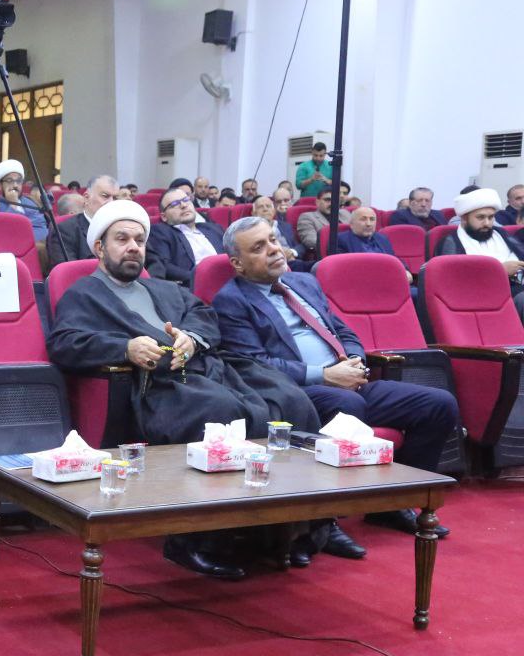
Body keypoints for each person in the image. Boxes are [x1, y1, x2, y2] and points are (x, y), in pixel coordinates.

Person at [47, 200, 323, 579]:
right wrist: (125, 348)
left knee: (291, 400)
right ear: (99, 247)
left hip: (209, 368)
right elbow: (64, 343)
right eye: (122, 239)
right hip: (158, 385)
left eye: (139, 240)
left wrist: (191, 339)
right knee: (221, 414)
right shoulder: (83, 294)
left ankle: (296, 530)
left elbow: (203, 315)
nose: (133, 247)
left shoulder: (163, 287)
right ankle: (199, 540)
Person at [212, 216, 457, 540]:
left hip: (347, 381)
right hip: (297, 394)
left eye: (272, 239)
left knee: (439, 404)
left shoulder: (303, 282)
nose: (273, 249)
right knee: (347, 404)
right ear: (238, 264)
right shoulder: (231, 300)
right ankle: (323, 523)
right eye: (259, 247)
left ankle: (395, 502)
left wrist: (354, 360)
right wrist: (325, 375)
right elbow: (254, 364)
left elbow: (342, 329)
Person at [432, 187, 524, 318]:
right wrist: (499, 271)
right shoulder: (451, 242)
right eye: (480, 217)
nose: (487, 223)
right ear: (464, 218)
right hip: (482, 296)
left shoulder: (501, 234)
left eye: (491, 217)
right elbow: (451, 281)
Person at [146, 185, 224, 285]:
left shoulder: (213, 228)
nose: (183, 205)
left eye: (186, 200)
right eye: (174, 204)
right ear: (164, 217)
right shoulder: (160, 231)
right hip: (194, 286)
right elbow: (164, 265)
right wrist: (202, 279)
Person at [45, 174, 118, 266]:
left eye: (115, 198)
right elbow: (69, 270)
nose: (111, 202)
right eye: (105, 196)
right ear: (86, 198)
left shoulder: (125, 228)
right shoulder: (65, 230)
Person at [335, 207, 413, 283]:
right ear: (352, 223)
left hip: (388, 280)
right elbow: (345, 269)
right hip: (362, 282)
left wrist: (404, 270)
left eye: (372, 219)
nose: (368, 224)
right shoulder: (341, 240)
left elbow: (393, 257)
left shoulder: (382, 238)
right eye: (363, 219)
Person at [0, 159, 48, 241]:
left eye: (18, 181)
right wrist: (13, 204)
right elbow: (0, 235)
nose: (15, 185)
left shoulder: (31, 204)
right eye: (9, 181)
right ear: (0, 185)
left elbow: (41, 232)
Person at [251, 194, 307, 271]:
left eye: (268, 206)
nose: (265, 209)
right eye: (261, 207)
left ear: (274, 211)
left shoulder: (285, 226)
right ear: (253, 213)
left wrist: (292, 252)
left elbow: (300, 246)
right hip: (270, 265)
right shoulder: (251, 230)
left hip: (293, 262)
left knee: (318, 266)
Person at [295, 187, 351, 256]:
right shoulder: (307, 217)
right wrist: (341, 246)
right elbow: (311, 241)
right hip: (327, 256)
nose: (331, 203)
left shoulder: (345, 213)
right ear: (317, 202)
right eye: (327, 200)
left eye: (335, 200)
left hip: (351, 252)